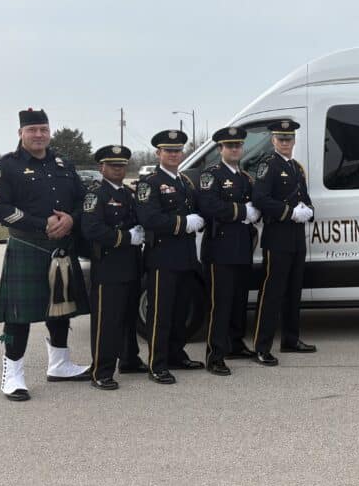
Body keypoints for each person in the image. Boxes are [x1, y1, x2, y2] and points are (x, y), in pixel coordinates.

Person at [0, 108, 91, 400]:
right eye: (32, 130)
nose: (39, 135)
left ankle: (60, 365)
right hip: (27, 247)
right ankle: (13, 375)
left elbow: (85, 200)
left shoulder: (64, 164)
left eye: (43, 129)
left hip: (61, 248)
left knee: (61, 308)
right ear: (20, 133)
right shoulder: (6, 166)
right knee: (18, 316)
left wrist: (71, 219)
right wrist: (41, 224)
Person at [135, 129, 206, 384]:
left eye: (177, 150)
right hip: (162, 257)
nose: (174, 154)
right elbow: (149, 218)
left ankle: (176, 354)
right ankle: (157, 363)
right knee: (160, 313)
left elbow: (199, 209)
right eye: (169, 150)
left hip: (186, 257)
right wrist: (183, 222)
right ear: (159, 153)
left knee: (179, 312)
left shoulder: (185, 182)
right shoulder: (150, 182)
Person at [80, 145, 145, 390]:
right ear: (102, 167)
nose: (118, 169)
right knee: (107, 321)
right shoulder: (95, 194)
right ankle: (102, 370)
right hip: (108, 266)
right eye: (113, 165)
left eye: (122, 165)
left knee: (128, 317)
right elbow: (91, 229)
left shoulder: (128, 194)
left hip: (131, 264)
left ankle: (129, 360)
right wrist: (127, 238)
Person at [196, 127, 260, 376]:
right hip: (219, 250)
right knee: (220, 304)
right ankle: (215, 355)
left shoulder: (245, 177)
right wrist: (243, 212)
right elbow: (209, 205)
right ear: (220, 149)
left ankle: (235, 343)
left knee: (238, 302)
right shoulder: (211, 175)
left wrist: (258, 210)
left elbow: (257, 202)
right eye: (229, 145)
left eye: (238, 145)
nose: (234, 149)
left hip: (242, 248)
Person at [251, 119, 314, 365]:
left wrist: (308, 210)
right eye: (281, 139)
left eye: (289, 139)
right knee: (272, 294)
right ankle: (261, 346)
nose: (285, 142)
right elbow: (260, 198)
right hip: (277, 238)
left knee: (293, 292)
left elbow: (305, 198)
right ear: (273, 140)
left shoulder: (296, 168)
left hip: (297, 239)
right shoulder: (269, 166)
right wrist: (290, 212)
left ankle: (290, 339)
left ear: (294, 141)